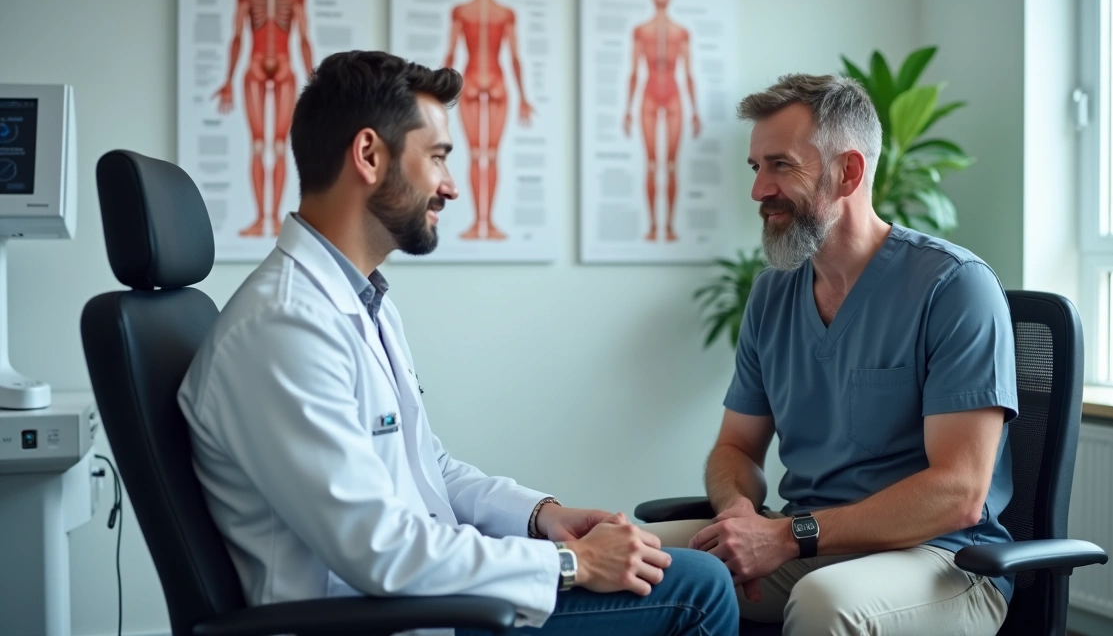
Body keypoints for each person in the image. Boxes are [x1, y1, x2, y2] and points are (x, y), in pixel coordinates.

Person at [177, 51, 738, 636]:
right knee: (698, 589)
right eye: (438, 157)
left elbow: (428, 469)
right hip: (381, 619)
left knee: (679, 572)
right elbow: (379, 551)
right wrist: (572, 564)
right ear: (369, 155)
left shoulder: (358, 301)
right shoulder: (284, 327)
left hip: (424, 604)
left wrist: (541, 516)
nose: (452, 186)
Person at [645, 74, 1018, 635]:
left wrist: (784, 537)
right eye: (755, 168)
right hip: (806, 544)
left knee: (825, 601)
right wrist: (739, 515)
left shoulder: (953, 286)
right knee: (633, 559)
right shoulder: (773, 293)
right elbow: (735, 448)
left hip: (944, 561)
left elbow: (959, 493)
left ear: (848, 172)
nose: (758, 190)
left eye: (781, 165)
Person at [213, 0, 314, 238]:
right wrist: (228, 80)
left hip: (283, 66)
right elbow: (237, 37)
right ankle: (260, 219)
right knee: (258, 146)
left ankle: (275, 219)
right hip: (256, 66)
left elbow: (303, 39)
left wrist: (314, 80)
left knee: (279, 146)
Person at [443, 0, 531, 241]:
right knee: (489, 156)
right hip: (496, 81)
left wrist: (436, 93)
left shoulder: (462, 11)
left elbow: (450, 56)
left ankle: (481, 223)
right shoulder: (504, 13)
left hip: (471, 79)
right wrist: (523, 96)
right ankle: (486, 223)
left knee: (478, 155)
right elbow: (514, 58)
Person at [622, 0, 700, 243]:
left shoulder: (681, 32)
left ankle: (668, 226)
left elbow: (688, 74)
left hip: (674, 96)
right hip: (649, 95)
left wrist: (695, 111)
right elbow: (633, 72)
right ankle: (654, 226)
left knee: (672, 165)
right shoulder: (641, 31)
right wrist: (626, 109)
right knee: (652, 164)